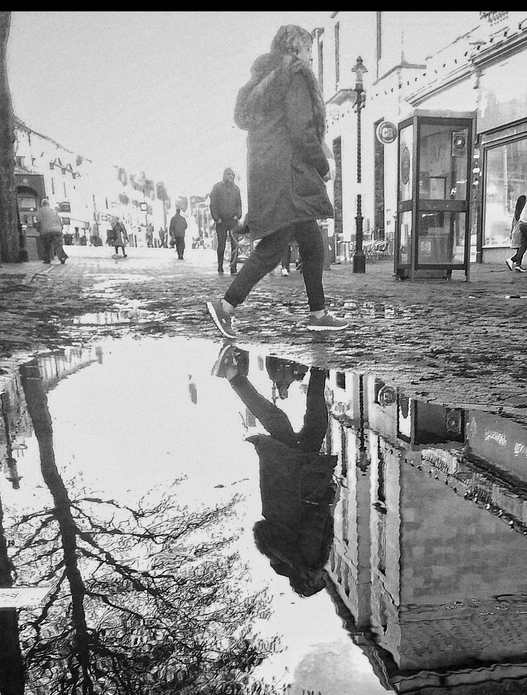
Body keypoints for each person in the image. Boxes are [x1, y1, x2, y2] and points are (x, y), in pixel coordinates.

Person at [206, 24, 350, 336]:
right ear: (296, 49)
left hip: (268, 174)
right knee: (272, 249)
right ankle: (226, 306)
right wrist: (322, 167)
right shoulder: (293, 75)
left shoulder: (260, 82)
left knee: (312, 243)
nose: (310, 58)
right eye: (309, 51)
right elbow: (301, 129)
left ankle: (318, 313)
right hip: (289, 176)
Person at [212, 345, 337, 596]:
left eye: (322, 580)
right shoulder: (281, 558)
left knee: (316, 421)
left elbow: (315, 522)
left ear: (311, 580)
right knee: (277, 421)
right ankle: (232, 375)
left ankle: (320, 367)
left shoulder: (310, 561)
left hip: (303, 480)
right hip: (286, 482)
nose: (325, 575)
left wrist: (329, 499)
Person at [210, 167, 244, 275]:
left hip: (233, 221)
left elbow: (239, 203)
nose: (231, 177)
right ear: (224, 175)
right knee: (221, 245)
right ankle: (220, 266)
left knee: (235, 244)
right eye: (229, 174)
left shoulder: (236, 189)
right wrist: (216, 218)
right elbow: (213, 204)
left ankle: (233, 267)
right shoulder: (217, 188)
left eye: (232, 175)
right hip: (221, 221)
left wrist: (238, 215)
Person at [36, 198, 68, 265]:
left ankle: (47, 259)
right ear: (48, 204)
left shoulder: (40, 211)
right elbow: (59, 220)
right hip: (57, 230)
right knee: (58, 245)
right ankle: (62, 257)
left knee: (46, 245)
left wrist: (38, 229)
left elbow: (38, 222)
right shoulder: (53, 211)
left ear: (42, 204)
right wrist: (60, 228)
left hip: (46, 231)